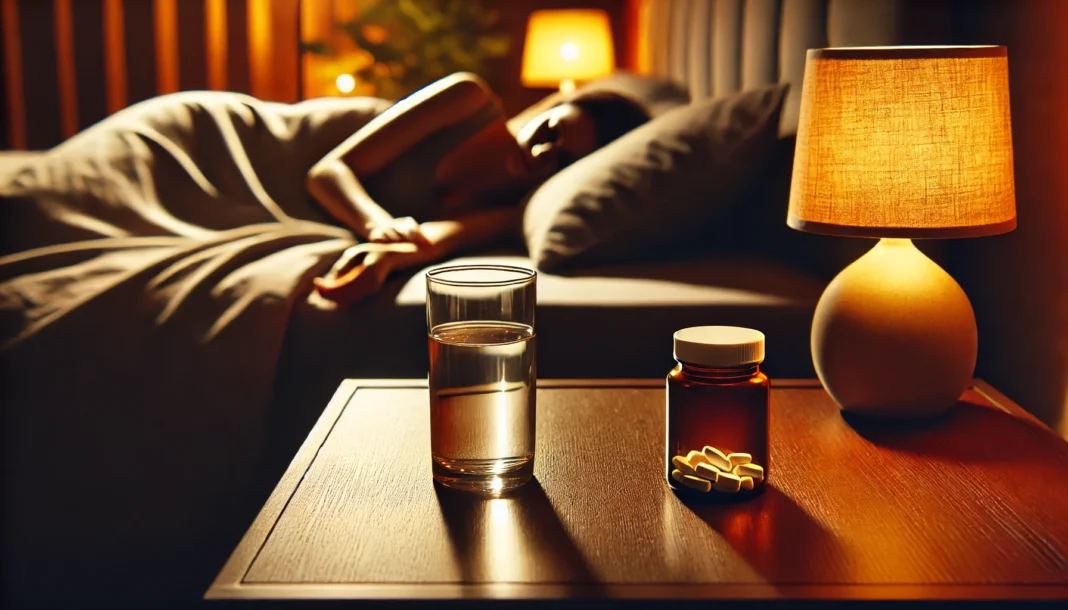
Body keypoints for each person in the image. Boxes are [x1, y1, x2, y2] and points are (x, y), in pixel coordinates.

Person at [306, 72, 650, 305]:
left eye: (562, 161)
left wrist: (382, 261)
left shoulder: (514, 211)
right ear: (551, 109)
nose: (540, 153)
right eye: (550, 132)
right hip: (293, 154)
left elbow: (436, 240)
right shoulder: (469, 98)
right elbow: (326, 171)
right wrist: (376, 224)